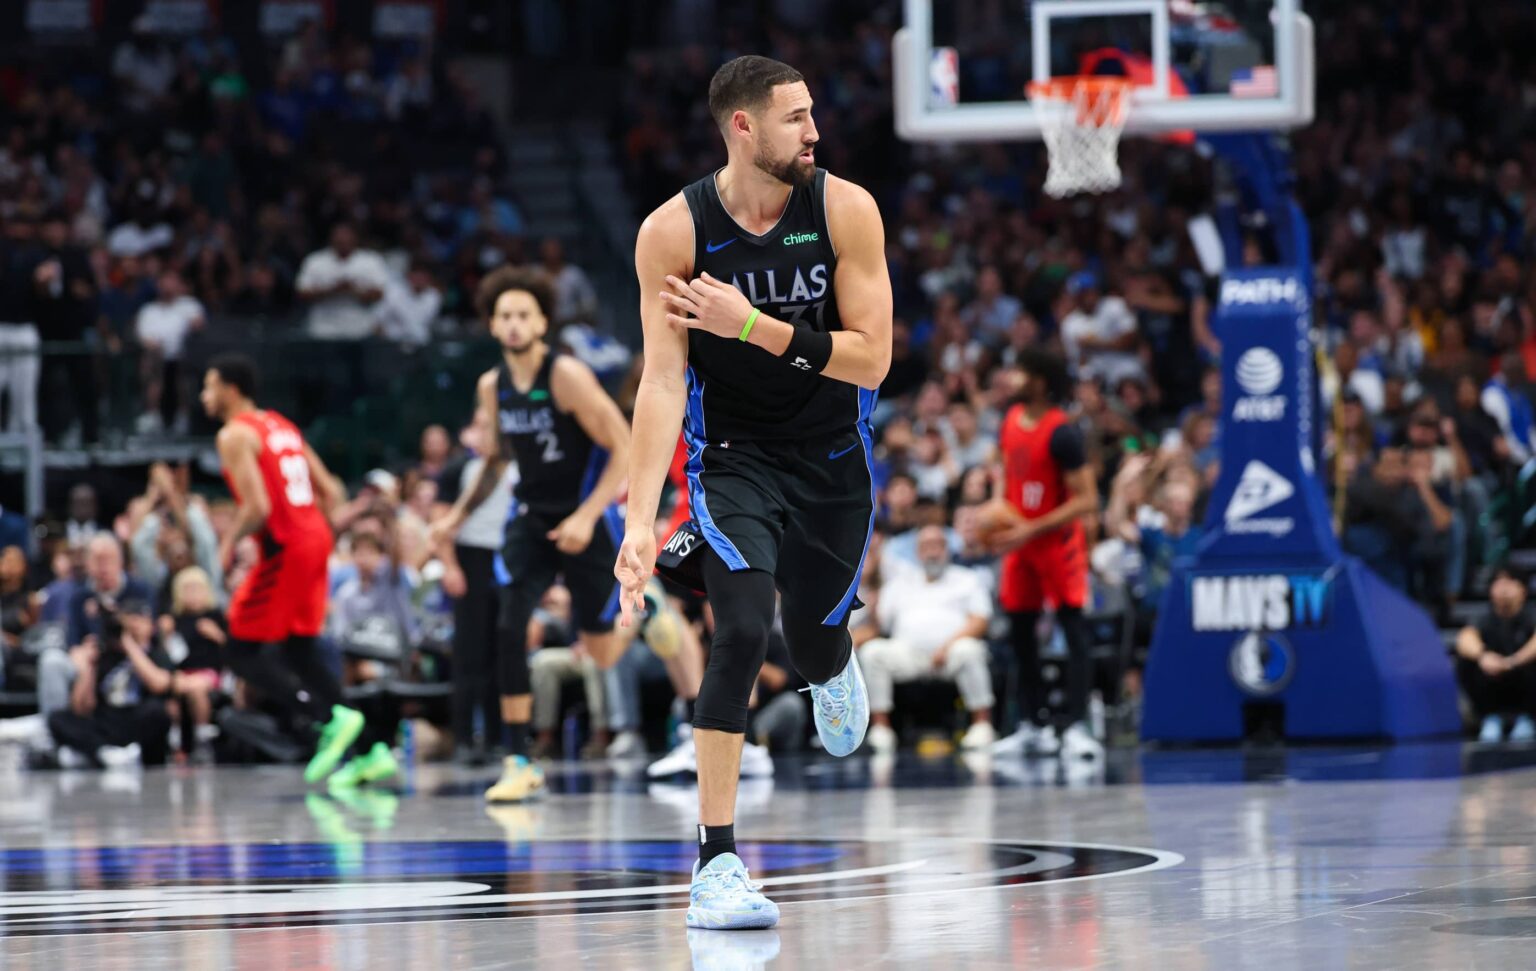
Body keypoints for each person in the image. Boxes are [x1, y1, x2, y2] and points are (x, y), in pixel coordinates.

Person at [617, 54, 892, 930]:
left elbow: (873, 357)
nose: (815, 131)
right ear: (742, 126)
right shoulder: (674, 231)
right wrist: (636, 518)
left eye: (813, 114)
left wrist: (757, 328)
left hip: (832, 457)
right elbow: (661, 382)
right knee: (738, 628)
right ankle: (716, 863)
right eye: (796, 117)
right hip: (731, 454)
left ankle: (830, 660)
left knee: (808, 642)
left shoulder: (845, 208)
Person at [429, 266, 634, 804]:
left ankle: (646, 613)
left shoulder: (566, 376)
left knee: (602, 653)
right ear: (493, 326)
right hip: (531, 518)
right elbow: (496, 459)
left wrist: (588, 516)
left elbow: (624, 445)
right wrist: (457, 514)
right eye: (505, 316)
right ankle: (518, 759)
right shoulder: (492, 386)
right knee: (508, 623)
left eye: (524, 314)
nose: (514, 324)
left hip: (583, 517)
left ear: (542, 321)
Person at [200, 354, 369, 785]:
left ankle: (325, 718)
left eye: (209, 386)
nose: (204, 395)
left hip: (287, 544)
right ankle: (369, 752)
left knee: (240, 649)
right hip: (314, 536)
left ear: (230, 390)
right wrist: (318, 532)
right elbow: (331, 488)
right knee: (300, 645)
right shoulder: (280, 424)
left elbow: (258, 507)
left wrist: (227, 542)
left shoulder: (234, 434)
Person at [987, 349, 1102, 762]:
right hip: (1020, 542)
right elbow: (1006, 476)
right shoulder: (1010, 420)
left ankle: (1076, 727)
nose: (1013, 377)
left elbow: (1087, 500)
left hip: (1056, 542)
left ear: (1039, 380)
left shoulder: (1063, 433)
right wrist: (999, 515)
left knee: (1073, 632)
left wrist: (1028, 528)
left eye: (1021, 370)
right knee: (1020, 633)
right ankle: (1033, 725)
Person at [861, 524, 996, 753]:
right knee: (873, 652)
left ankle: (982, 725)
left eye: (938, 545)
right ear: (917, 552)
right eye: (926, 546)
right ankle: (881, 729)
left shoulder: (967, 579)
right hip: (909, 654)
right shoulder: (900, 583)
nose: (932, 552)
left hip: (951, 653)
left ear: (947, 548)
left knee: (970, 650)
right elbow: (880, 625)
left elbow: (980, 621)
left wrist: (947, 646)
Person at [1454, 567, 1536, 742]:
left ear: (1523, 589)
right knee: (1465, 661)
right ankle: (1490, 717)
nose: (1504, 588)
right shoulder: (1483, 619)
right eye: (1499, 583)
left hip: (1526, 688)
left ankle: (1528, 719)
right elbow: (1464, 639)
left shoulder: (1531, 616)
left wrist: (1514, 661)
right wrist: (1483, 656)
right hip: (1493, 685)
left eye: (1510, 582)